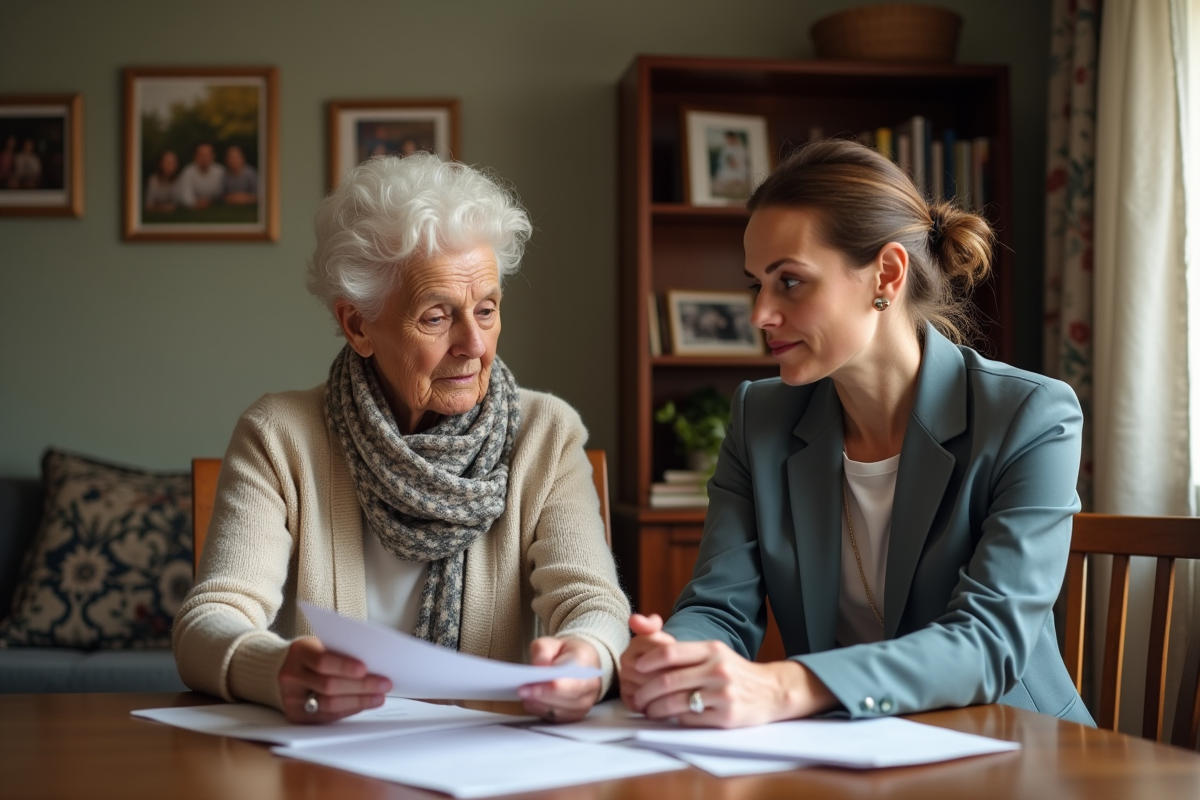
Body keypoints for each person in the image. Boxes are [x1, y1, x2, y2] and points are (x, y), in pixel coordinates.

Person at [620, 138, 1093, 729]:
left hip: (1018, 752)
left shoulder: (1031, 415)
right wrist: (678, 659)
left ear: (886, 275)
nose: (760, 314)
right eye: (755, 285)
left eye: (789, 282)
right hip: (848, 754)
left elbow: (989, 641)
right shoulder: (759, 419)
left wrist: (787, 686)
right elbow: (719, 607)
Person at [174, 153, 629, 724]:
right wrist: (275, 668)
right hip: (326, 765)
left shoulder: (547, 432)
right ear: (358, 325)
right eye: (437, 317)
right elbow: (210, 621)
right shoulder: (279, 435)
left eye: (486, 311)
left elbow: (593, 605)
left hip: (489, 766)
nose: (474, 344)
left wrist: (586, 657)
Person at [177, 142, 225, 209]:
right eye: (201, 155)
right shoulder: (187, 173)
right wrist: (195, 203)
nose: (205, 158)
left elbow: (225, 193)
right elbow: (185, 197)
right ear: (194, 156)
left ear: (213, 156)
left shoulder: (221, 171)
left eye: (208, 155)